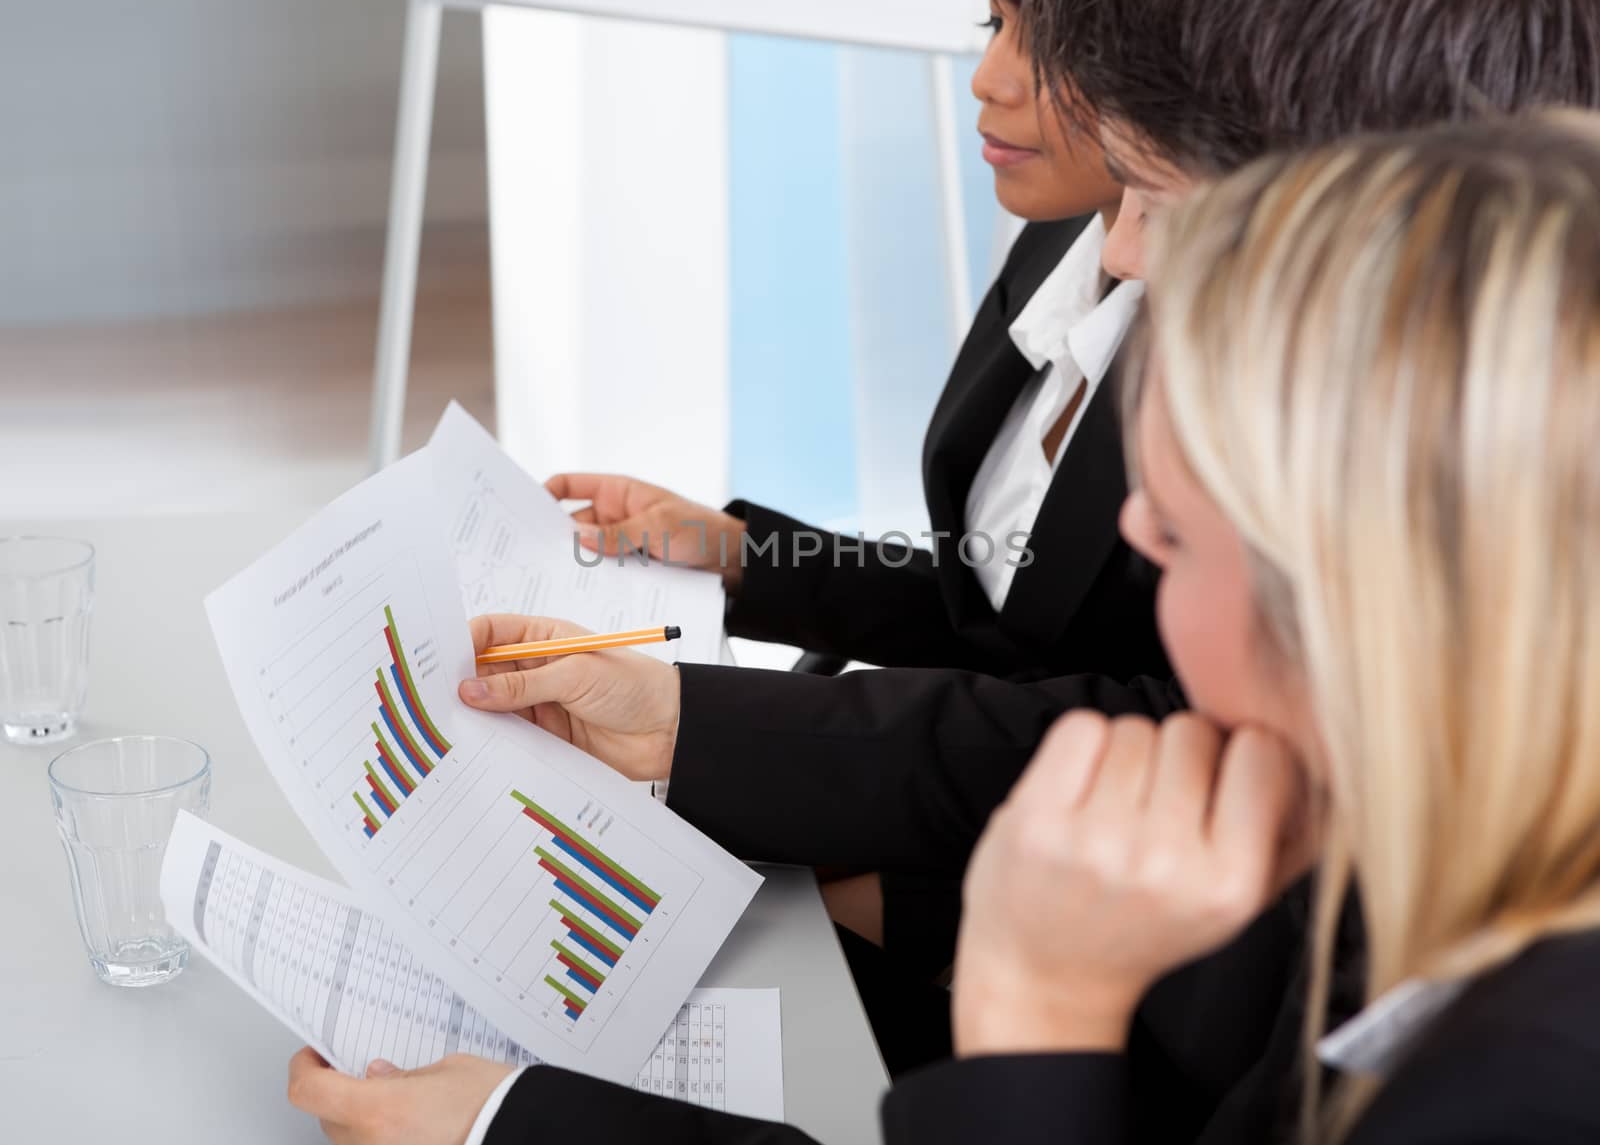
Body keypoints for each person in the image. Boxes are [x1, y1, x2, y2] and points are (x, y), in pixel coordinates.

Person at [287, 109, 1600, 1145]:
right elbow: (988, 589)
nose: (1140, 542)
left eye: (1185, 535)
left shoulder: (1510, 1083)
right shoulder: (1417, 864)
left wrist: (1036, 1015)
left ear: (1377, 605)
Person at [453, 0, 1600, 1006]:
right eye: (992, 19)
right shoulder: (1076, 238)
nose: (988, 77)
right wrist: (758, 560)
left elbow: (1153, 712)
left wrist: (715, 748)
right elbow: (1008, 597)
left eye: (1043, 42)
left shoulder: (1309, 432)